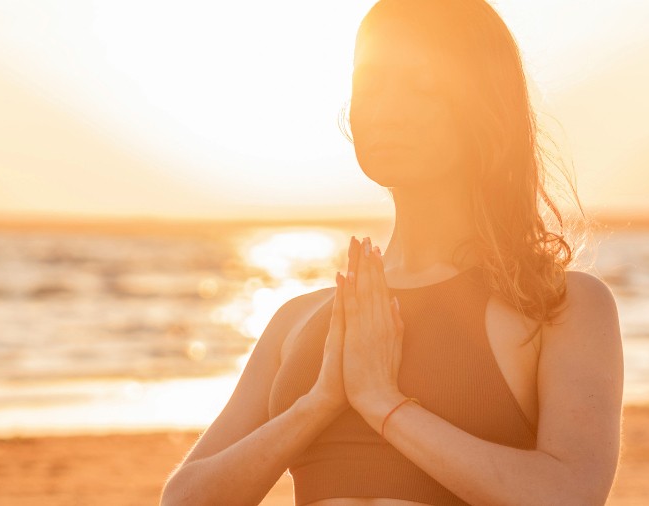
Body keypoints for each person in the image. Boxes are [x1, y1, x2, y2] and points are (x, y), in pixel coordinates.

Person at [160, 1, 624, 504]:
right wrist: (318, 403)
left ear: (484, 109)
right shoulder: (297, 319)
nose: (386, 111)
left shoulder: (556, 305)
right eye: (370, 85)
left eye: (421, 87)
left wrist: (384, 404)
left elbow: (570, 494)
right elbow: (184, 500)